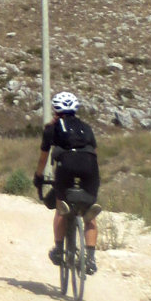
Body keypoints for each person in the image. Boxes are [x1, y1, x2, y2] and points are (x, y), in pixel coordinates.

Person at [33, 91, 100, 275]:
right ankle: (91, 259)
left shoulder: (51, 129)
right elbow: (94, 152)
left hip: (66, 166)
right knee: (89, 212)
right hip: (90, 167)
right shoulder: (86, 128)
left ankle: (58, 249)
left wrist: (38, 177)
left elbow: (43, 158)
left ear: (55, 109)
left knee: (61, 207)